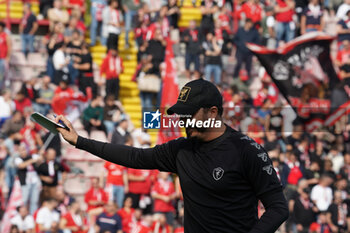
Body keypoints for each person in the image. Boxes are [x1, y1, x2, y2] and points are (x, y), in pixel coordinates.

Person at [55, 79, 289, 232]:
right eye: (180, 115)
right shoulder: (181, 149)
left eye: (189, 114)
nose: (183, 121)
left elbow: (278, 207)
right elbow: (135, 157)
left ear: (213, 112)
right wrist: (80, 141)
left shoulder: (247, 150)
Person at [0, 22, 11, 90]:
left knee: (1, 75)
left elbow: (9, 46)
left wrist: (8, 57)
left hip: (3, 58)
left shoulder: (5, 36)